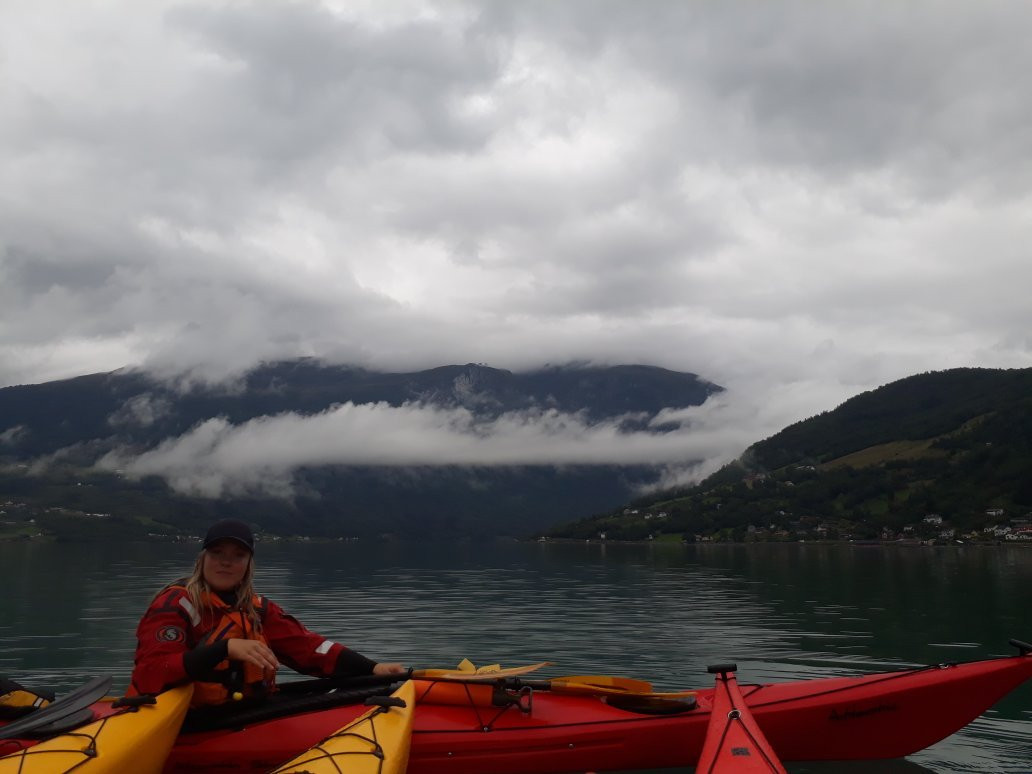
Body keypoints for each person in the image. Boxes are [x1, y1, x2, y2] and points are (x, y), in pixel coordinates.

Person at [129, 519, 405, 706]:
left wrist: (373, 668)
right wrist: (224, 649)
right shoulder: (175, 604)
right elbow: (152, 672)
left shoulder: (257, 609)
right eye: (217, 552)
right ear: (202, 559)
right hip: (182, 723)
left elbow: (311, 648)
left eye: (238, 555)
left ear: (248, 564)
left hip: (241, 714)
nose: (226, 561)